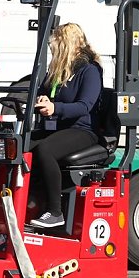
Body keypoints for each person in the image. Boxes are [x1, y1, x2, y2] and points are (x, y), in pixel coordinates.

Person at [29, 23, 102, 228]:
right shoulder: (58, 71)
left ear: (66, 45)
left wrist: (55, 108)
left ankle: (55, 212)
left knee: (46, 150)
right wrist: (42, 100)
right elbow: (43, 92)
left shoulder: (89, 70)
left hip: (82, 130)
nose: (52, 50)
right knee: (20, 145)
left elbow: (84, 106)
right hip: (59, 128)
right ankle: (29, 201)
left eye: (55, 45)